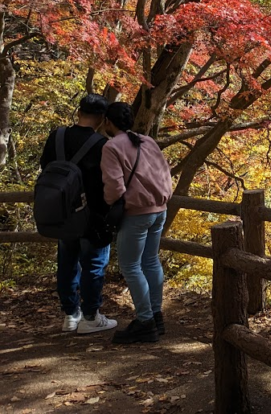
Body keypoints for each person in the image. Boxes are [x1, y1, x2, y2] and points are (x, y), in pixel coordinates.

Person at [40, 93, 118, 334]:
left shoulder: (57, 136)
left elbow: (45, 167)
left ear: (78, 112)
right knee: (94, 264)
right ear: (103, 119)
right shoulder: (102, 145)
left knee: (66, 262)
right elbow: (108, 182)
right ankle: (90, 316)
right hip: (92, 215)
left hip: (63, 213)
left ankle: (70, 315)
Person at [100, 102, 172, 344]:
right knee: (151, 261)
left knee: (130, 266)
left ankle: (145, 321)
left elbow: (114, 186)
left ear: (108, 122)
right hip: (159, 209)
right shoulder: (147, 141)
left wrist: (112, 203)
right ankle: (156, 315)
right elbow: (164, 172)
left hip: (136, 213)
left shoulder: (112, 146)